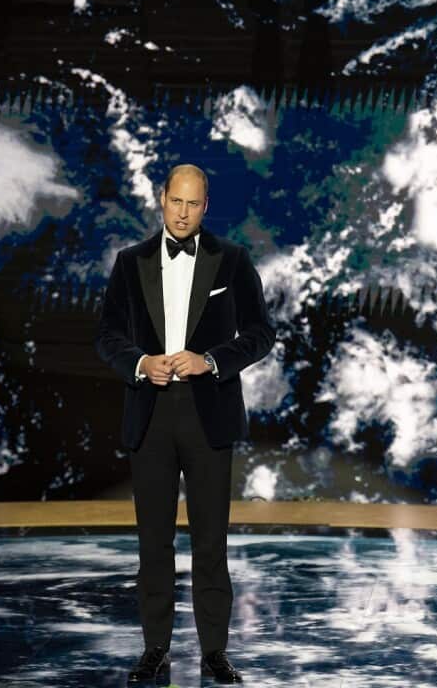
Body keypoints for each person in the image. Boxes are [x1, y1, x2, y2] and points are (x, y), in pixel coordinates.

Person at [95, 164, 275, 685]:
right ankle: (155, 649)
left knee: (210, 542)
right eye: (176, 201)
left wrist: (212, 360)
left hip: (207, 412)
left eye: (193, 204)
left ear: (205, 204)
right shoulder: (129, 264)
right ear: (162, 198)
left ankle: (215, 652)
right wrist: (140, 363)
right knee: (153, 542)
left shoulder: (233, 261)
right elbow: (106, 335)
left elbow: (262, 333)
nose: (183, 212)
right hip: (149, 413)